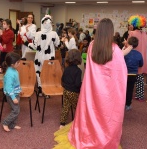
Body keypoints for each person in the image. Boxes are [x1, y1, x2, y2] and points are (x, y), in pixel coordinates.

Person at [54, 18, 127, 148]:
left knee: (93, 114)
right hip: (109, 93)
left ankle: (90, 136)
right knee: (106, 116)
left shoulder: (92, 46)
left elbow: (90, 69)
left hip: (93, 89)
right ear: (111, 32)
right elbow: (120, 74)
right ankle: (104, 138)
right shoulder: (115, 50)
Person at [27, 15, 60, 96]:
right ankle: (47, 90)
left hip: (39, 56)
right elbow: (58, 44)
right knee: (48, 73)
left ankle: (40, 88)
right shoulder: (54, 34)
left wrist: (27, 44)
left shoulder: (38, 34)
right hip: (49, 57)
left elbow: (34, 46)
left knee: (39, 72)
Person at [128, 15, 147, 100]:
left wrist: (129, 31)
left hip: (133, 58)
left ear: (133, 24)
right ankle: (140, 95)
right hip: (142, 58)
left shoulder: (132, 33)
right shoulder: (145, 34)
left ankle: (128, 93)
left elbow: (129, 45)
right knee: (140, 79)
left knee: (130, 78)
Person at [59, 49, 82, 128]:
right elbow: (77, 84)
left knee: (65, 107)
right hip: (74, 92)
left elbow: (63, 79)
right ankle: (81, 121)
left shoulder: (66, 69)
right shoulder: (78, 71)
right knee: (79, 107)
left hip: (65, 90)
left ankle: (62, 124)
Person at [2, 52, 22, 132]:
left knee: (16, 110)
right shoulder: (10, 73)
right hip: (11, 95)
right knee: (16, 111)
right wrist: (13, 98)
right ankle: (5, 123)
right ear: (12, 64)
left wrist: (19, 90)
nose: (19, 63)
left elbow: (15, 83)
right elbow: (9, 88)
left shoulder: (14, 70)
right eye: (18, 62)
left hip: (15, 93)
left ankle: (12, 125)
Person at [124, 37, 143, 111]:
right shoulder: (139, 54)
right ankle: (128, 105)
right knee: (130, 90)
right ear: (137, 45)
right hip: (133, 74)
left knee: (122, 89)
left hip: (124, 74)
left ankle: (120, 104)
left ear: (128, 43)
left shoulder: (125, 52)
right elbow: (141, 64)